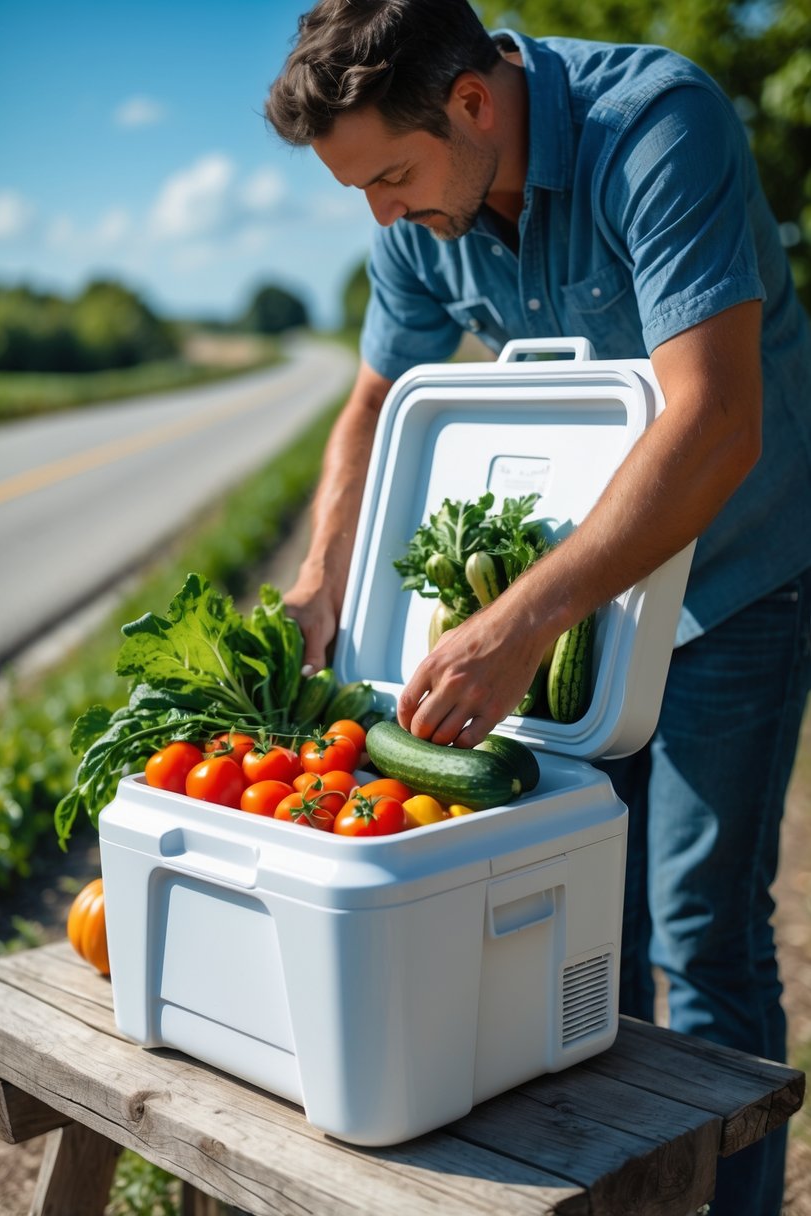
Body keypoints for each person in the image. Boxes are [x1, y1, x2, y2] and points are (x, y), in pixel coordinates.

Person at [264, 2, 811, 1211]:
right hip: (582, 607)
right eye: (359, 188)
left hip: (732, 577)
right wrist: (319, 578)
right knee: (574, 928)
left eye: (393, 175)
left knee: (700, 935)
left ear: (472, 103)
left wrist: (516, 624)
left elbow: (716, 420)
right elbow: (370, 404)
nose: (383, 215)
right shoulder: (417, 214)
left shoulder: (651, 130)